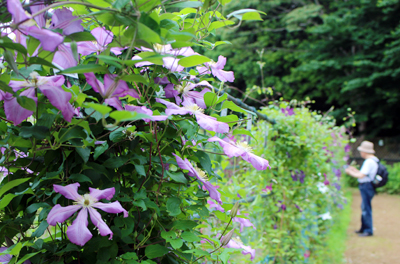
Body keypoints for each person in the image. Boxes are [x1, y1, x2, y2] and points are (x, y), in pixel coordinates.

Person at [345, 141, 378, 237]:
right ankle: (364, 228)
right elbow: (363, 173)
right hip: (369, 186)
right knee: (364, 207)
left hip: (366, 186)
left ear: (365, 151)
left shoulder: (369, 162)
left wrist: (349, 172)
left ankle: (368, 230)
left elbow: (361, 175)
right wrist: (354, 170)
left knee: (366, 208)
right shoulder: (374, 160)